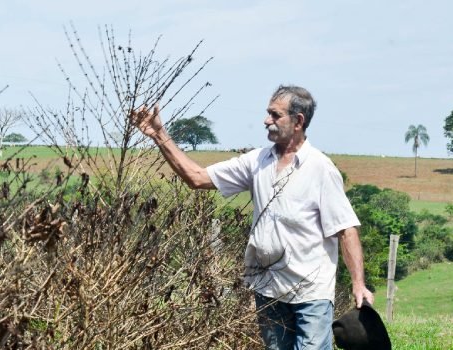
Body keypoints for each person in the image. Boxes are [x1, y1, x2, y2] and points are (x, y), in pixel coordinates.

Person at [129, 85, 374, 350]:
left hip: (311, 292)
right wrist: (158, 134)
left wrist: (358, 284)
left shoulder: (320, 168)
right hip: (268, 288)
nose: (266, 120)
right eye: (268, 113)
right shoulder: (257, 161)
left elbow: (346, 228)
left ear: (298, 121)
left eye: (275, 115)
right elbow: (196, 178)